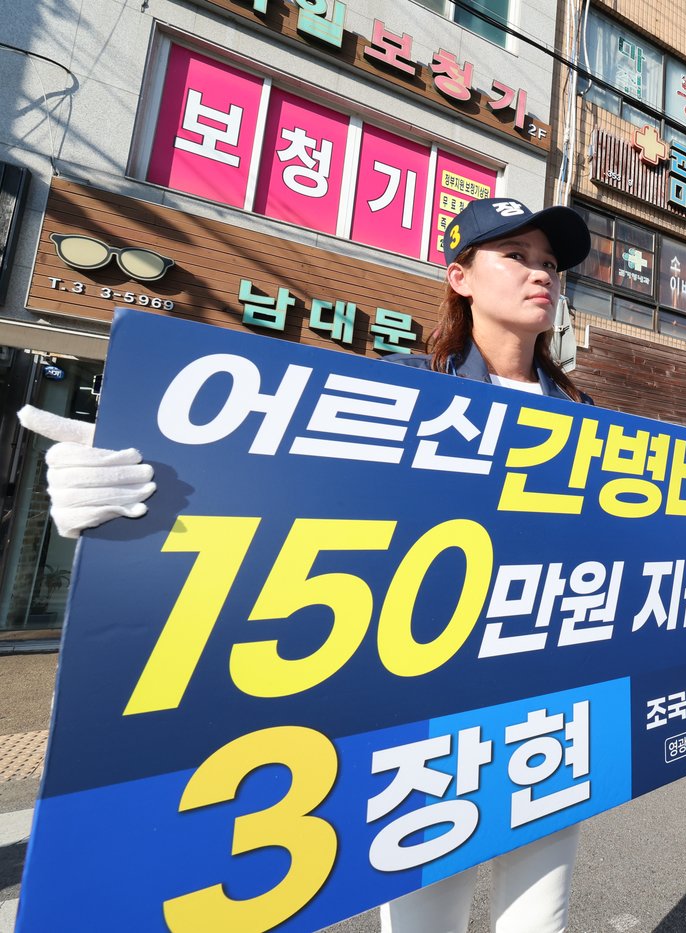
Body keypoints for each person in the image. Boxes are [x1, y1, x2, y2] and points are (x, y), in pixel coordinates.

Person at [20, 197, 603, 932]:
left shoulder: (585, 413)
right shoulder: (401, 387)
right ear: (459, 277)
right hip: (424, 706)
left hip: (548, 703)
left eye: (549, 263)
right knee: (428, 915)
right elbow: (285, 498)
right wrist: (131, 500)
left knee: (541, 918)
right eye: (515, 256)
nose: (541, 273)